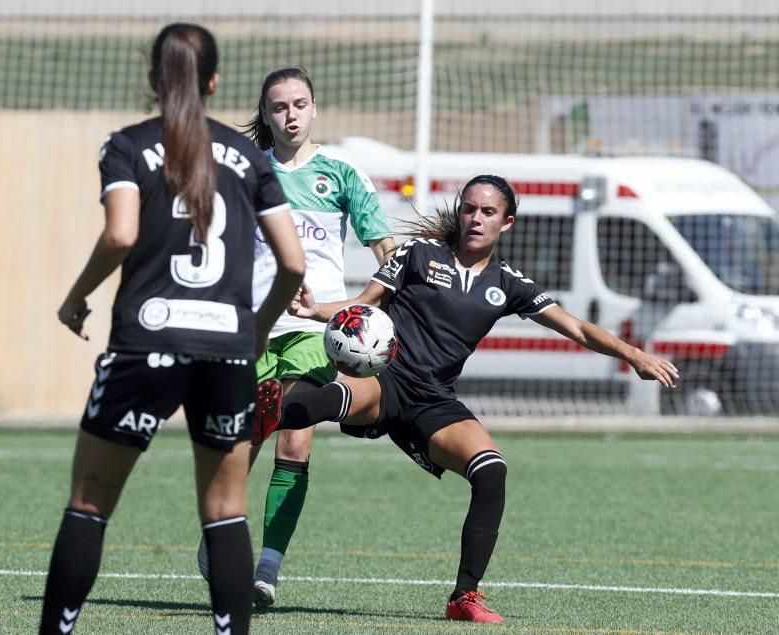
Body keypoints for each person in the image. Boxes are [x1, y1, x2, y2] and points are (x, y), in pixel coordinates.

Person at [251, 174, 680, 623]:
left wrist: (632, 354)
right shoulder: (418, 255)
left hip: (434, 400)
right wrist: (314, 310)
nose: (476, 218)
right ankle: (270, 413)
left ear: (507, 222)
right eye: (470, 208)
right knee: (319, 403)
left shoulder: (509, 283)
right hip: (388, 377)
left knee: (492, 470)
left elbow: (575, 327)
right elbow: (365, 303)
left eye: (488, 212)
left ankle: (464, 597)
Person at [39, 23, 305, 634]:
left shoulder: (128, 145)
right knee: (225, 513)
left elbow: (121, 234)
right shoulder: (249, 162)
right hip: (227, 350)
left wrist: (76, 298)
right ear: (213, 82)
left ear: (155, 78)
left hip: (146, 343)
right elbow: (293, 263)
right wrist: (258, 329)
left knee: (89, 506)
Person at [199, 66, 395, 608]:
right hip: (254, 324)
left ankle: (265, 569)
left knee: (295, 432)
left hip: (316, 328)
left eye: (300, 104)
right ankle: (219, 530)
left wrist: (382, 303)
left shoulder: (341, 172)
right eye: (280, 107)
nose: (291, 115)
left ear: (315, 108)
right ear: (265, 113)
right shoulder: (243, 170)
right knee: (244, 442)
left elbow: (385, 251)